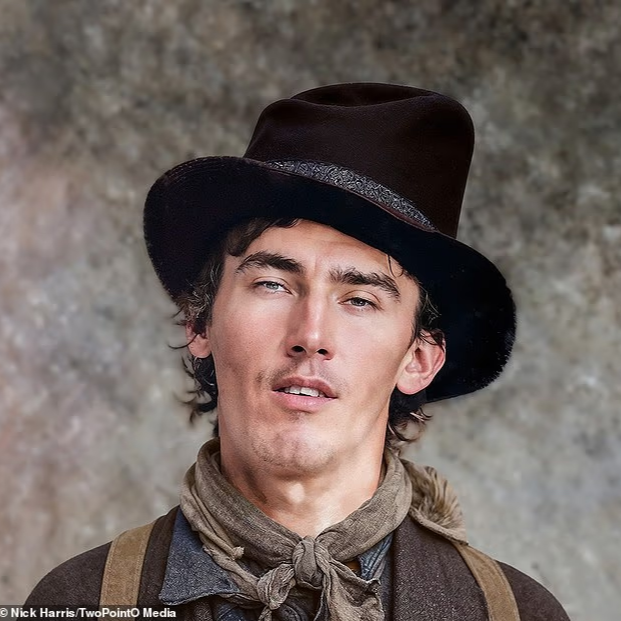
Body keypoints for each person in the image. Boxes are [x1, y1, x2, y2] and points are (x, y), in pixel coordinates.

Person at [26, 83, 570, 620]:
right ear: (199, 321)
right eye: (273, 284)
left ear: (419, 358)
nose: (310, 334)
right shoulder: (80, 602)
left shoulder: (518, 614)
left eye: (359, 299)